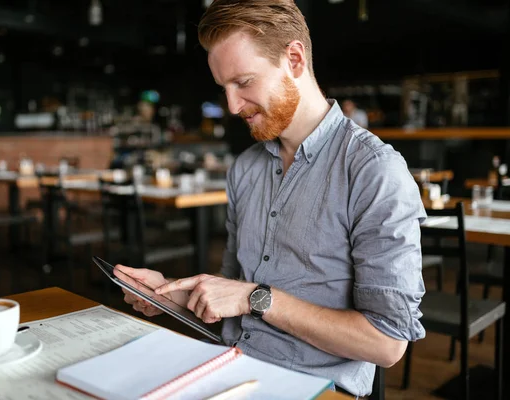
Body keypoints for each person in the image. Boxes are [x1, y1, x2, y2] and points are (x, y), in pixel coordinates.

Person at [116, 0, 425, 396]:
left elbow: (386, 343)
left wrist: (255, 298)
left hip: (314, 388)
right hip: (226, 367)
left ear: (294, 59)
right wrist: (169, 294)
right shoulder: (245, 168)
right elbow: (231, 298)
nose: (231, 106)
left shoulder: (373, 170)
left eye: (244, 82)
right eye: (223, 88)